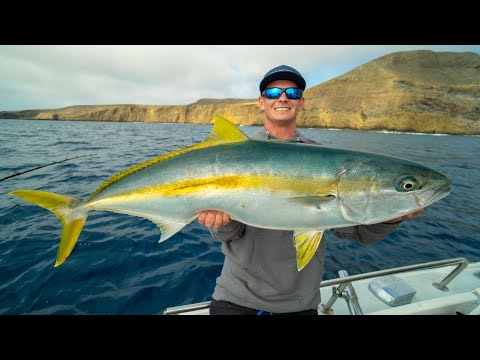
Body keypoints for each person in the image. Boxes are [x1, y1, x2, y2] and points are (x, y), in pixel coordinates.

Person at [197, 65, 424, 315]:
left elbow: (358, 233)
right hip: (235, 300)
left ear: (301, 103)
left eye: (292, 94)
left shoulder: (325, 160)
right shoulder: (235, 153)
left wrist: (389, 219)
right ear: (262, 102)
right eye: (273, 93)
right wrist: (220, 223)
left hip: (300, 305)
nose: (283, 98)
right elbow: (229, 234)